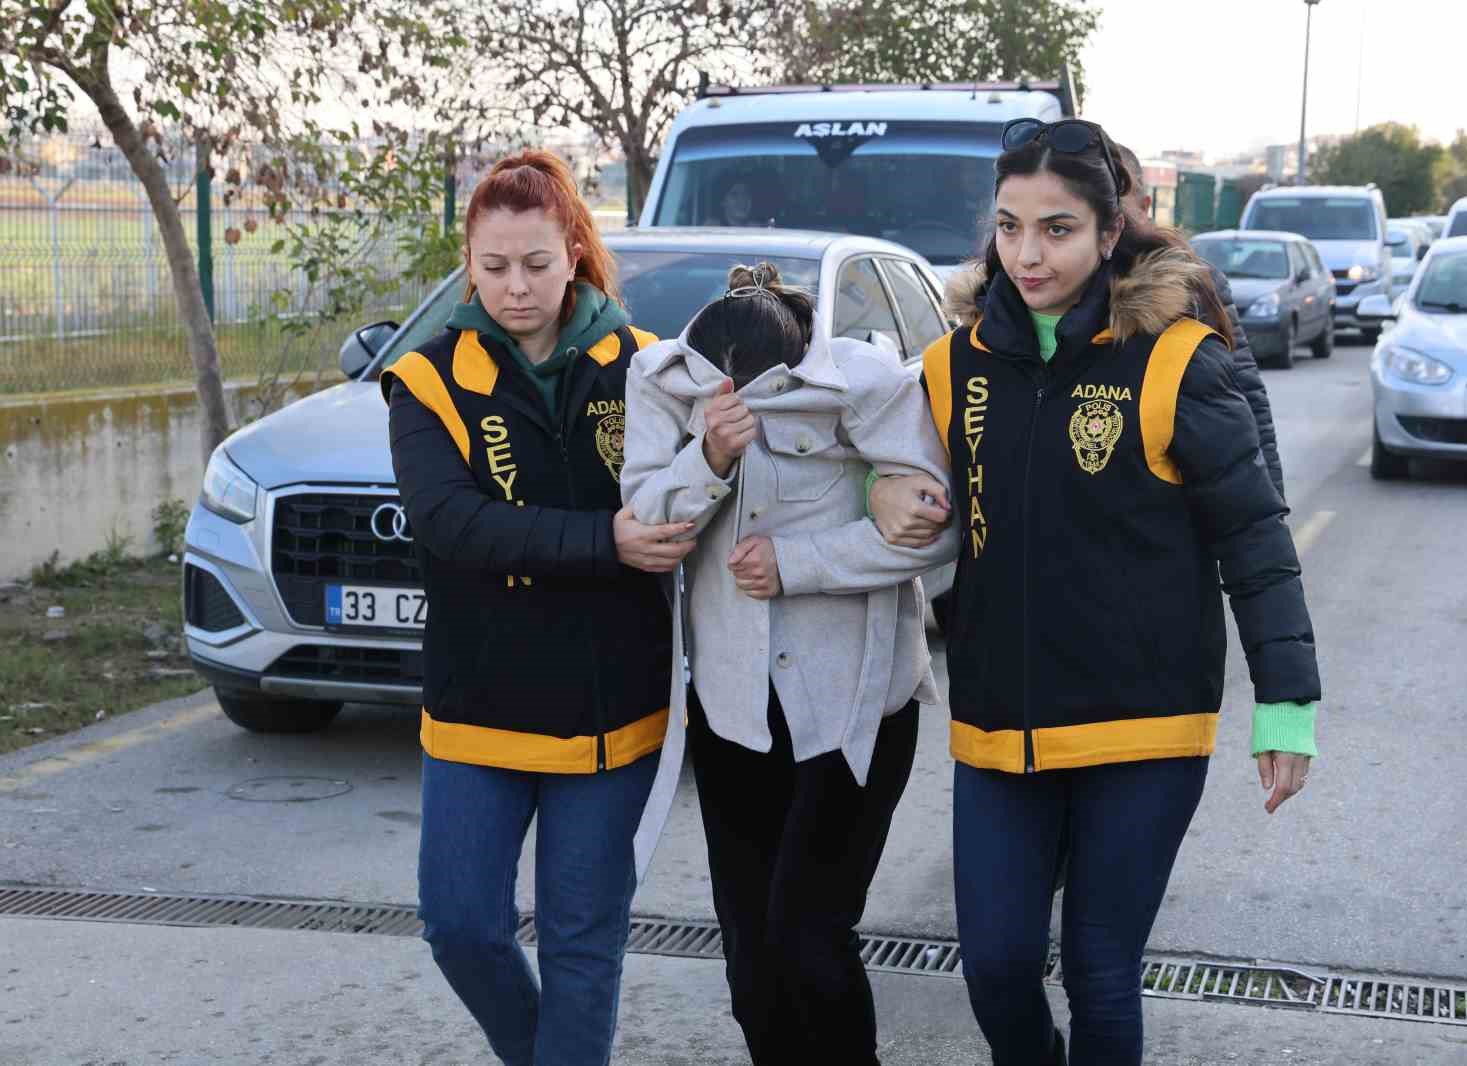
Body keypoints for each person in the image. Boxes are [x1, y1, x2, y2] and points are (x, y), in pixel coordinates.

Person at [872, 119, 1322, 1065]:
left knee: (1100, 969)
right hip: (1000, 724)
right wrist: (883, 488)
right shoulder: (951, 365)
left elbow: (1254, 538)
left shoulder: (1177, 359)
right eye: (1009, 227)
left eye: (1058, 230)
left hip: (1144, 725)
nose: (1027, 255)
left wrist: (1286, 705)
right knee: (995, 968)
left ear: (1110, 232)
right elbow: (885, 468)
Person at [380, 148, 696, 1066]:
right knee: (461, 928)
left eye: (536, 264)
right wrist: (605, 542)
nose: (515, 288)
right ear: (469, 266)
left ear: (575, 255)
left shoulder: (645, 365)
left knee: (582, 945)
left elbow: (700, 492)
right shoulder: (427, 379)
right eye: (493, 267)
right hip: (478, 707)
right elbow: (450, 523)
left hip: (612, 711)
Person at [620, 263, 958, 1066]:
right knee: (752, 968)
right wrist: (709, 457)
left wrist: (799, 563)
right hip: (733, 710)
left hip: (855, 706)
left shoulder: (866, 382)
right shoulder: (661, 383)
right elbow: (644, 521)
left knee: (809, 938)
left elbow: (939, 531)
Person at [1115, 143, 1286, 499]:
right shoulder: (1036, 290)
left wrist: (1270, 508)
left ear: (1144, 208)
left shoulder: (1192, 286)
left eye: (1116, 197)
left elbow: (1246, 402)